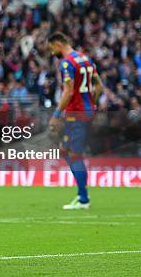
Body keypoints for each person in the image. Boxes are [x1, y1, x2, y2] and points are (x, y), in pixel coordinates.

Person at [47, 32, 103, 210]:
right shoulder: (85, 59)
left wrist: (56, 114)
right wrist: (91, 104)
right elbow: (99, 86)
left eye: (51, 48)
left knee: (73, 153)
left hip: (75, 114)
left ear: (58, 44)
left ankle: (83, 199)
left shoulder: (67, 63)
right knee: (65, 150)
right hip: (85, 112)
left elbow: (68, 91)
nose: (51, 52)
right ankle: (82, 194)